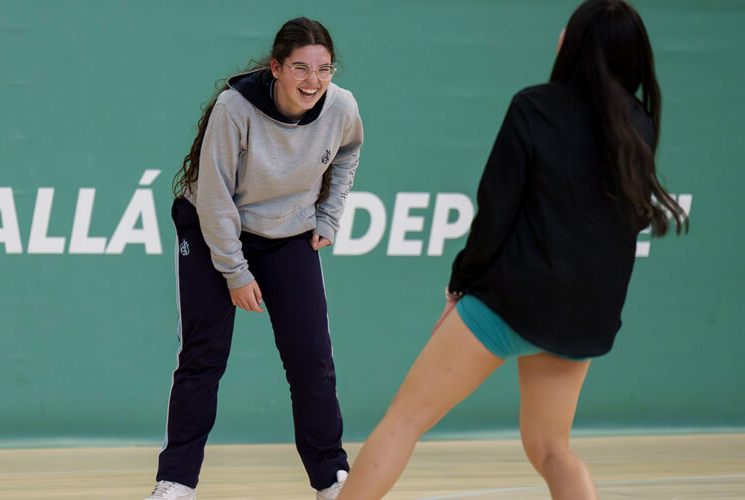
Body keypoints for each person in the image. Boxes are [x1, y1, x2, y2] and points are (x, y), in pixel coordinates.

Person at [337, 1, 687, 499]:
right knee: (551, 450)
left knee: (404, 420)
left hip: (513, 301)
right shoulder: (639, 123)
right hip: (585, 314)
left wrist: (461, 284)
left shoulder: (534, 107)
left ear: (577, 43)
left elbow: (495, 212)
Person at [146, 17, 363, 500]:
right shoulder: (234, 108)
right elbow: (217, 198)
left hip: (288, 232)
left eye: (324, 69)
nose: (314, 81)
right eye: (301, 68)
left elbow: (348, 153)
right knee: (203, 357)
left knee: (312, 360)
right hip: (212, 229)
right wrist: (234, 272)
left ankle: (330, 477)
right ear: (277, 68)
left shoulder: (342, 107)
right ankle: (176, 480)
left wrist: (328, 217)